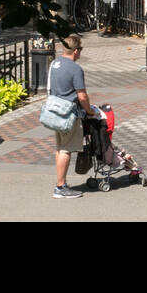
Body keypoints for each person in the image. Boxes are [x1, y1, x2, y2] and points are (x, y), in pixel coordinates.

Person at [49, 34, 91, 198]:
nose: (80, 53)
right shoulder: (75, 68)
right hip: (69, 113)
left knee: (60, 148)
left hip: (55, 111)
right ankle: (60, 187)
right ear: (75, 50)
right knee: (66, 149)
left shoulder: (54, 63)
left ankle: (61, 183)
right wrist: (90, 111)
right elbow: (82, 96)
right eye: (80, 49)